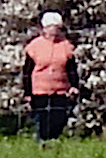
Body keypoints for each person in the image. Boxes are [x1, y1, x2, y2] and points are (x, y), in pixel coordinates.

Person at [21, 11, 80, 142]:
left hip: (60, 90)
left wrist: (74, 85)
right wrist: (27, 93)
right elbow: (27, 71)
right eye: (51, 27)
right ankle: (42, 145)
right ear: (44, 28)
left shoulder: (66, 46)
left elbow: (71, 69)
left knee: (58, 119)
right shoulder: (35, 46)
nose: (54, 31)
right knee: (42, 121)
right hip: (40, 91)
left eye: (57, 28)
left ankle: (53, 144)